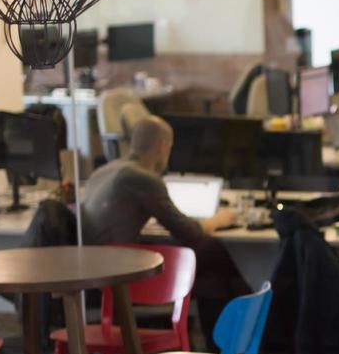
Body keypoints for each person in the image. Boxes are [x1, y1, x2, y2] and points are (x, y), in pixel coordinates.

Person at [81, 115, 249, 340]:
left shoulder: (102, 172)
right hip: (114, 272)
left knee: (209, 270)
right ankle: (241, 336)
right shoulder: (142, 177)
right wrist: (219, 219)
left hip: (91, 267)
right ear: (162, 146)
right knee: (211, 251)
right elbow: (189, 233)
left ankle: (220, 340)